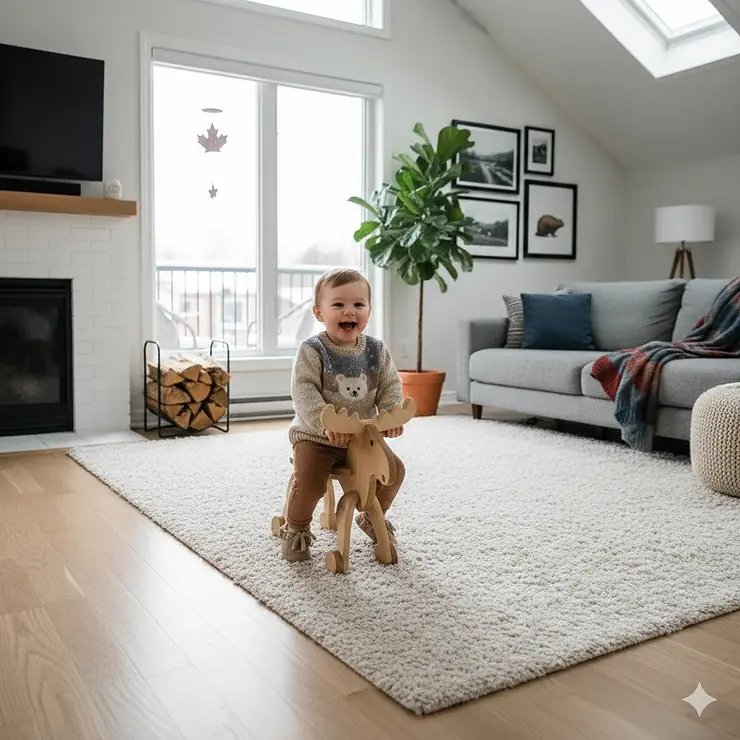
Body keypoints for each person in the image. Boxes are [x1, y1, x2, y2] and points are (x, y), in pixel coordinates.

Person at [282, 267, 406, 562]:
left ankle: (372, 515)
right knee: (309, 481)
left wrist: (391, 416)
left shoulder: (376, 350)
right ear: (319, 312)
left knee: (394, 471)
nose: (349, 311)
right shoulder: (313, 350)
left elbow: (390, 385)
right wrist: (324, 422)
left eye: (358, 304)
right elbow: (304, 392)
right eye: (338, 304)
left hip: (361, 438)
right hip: (316, 437)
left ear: (369, 311)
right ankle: (296, 529)